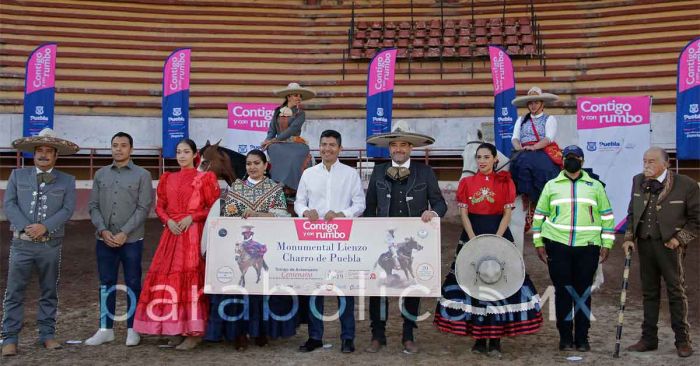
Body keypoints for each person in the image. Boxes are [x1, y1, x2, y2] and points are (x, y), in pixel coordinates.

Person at [433, 142, 542, 358]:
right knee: (473, 287)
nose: (482, 161)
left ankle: (496, 341)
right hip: (472, 236)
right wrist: (474, 240)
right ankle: (479, 340)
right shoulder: (466, 183)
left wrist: (495, 239)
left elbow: (507, 215)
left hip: (499, 236)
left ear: (495, 160)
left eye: (486, 157)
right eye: (479, 157)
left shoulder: (506, 182)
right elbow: (464, 214)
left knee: (500, 286)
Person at [364, 121, 447, 354]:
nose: (398, 149)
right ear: (389, 148)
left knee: (411, 287)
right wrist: (369, 234)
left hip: (412, 239)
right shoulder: (379, 171)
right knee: (379, 287)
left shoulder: (425, 171)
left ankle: (408, 334)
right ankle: (377, 334)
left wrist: (434, 213)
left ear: (410, 148)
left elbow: (439, 202)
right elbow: (370, 205)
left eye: (403, 145)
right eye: (394, 145)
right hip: (384, 239)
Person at [204, 150, 297, 350]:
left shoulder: (274, 189)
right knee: (240, 289)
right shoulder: (236, 188)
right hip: (241, 248)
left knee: (261, 288)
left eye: (256, 163)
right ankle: (239, 332)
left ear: (265, 166)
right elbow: (227, 217)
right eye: (248, 164)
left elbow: (284, 216)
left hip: (267, 248)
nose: (252, 167)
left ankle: (262, 330)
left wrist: (259, 214)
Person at [132, 138, 220, 350]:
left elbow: (214, 207)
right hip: (172, 234)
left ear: (194, 154)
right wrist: (167, 220)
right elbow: (160, 206)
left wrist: (194, 217)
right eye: (178, 152)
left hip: (193, 234)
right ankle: (175, 328)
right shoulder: (167, 178)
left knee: (190, 280)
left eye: (186, 152)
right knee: (168, 278)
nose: (181, 156)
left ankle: (194, 332)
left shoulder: (205, 178)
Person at [2, 128, 78, 357]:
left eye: (48, 151)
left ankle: (47, 335)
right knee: (14, 291)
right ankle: (9, 337)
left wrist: (45, 227)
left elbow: (68, 208)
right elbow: (10, 205)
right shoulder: (17, 175)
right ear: (33, 154)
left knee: (49, 290)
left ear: (56, 155)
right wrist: (27, 227)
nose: (44, 155)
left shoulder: (67, 180)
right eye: (39, 151)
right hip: (21, 243)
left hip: (50, 244)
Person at [532, 145, 615, 352]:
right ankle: (565, 337)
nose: (571, 160)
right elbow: (539, 217)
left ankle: (582, 338)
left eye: (575, 157)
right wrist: (539, 243)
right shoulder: (551, 186)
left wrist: (607, 244)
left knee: (583, 293)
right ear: (562, 160)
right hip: (557, 246)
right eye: (567, 157)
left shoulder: (595, 186)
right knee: (562, 293)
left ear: (582, 161)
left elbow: (607, 217)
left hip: (588, 248)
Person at [622, 147, 698, 358]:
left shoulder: (686, 184)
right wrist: (629, 238)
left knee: (675, 291)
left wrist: (678, 240)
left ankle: (682, 340)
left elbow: (696, 220)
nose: (646, 165)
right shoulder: (638, 180)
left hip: (670, 247)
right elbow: (632, 212)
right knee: (649, 292)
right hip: (645, 245)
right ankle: (648, 338)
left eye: (652, 161)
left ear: (666, 164)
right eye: (645, 160)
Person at [294, 130, 365, 353]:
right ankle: (315, 336)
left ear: (340, 149)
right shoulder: (308, 174)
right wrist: (306, 212)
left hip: (342, 239)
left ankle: (347, 337)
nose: (327, 148)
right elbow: (298, 202)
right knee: (316, 288)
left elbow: (359, 204)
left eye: (332, 145)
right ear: (319, 147)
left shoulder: (350, 174)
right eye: (323, 144)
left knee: (344, 288)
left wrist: (343, 213)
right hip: (314, 240)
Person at [84, 132, 153, 347]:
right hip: (104, 240)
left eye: (123, 145)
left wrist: (124, 232)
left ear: (131, 149)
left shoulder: (143, 175)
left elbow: (143, 208)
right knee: (106, 283)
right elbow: (93, 206)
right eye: (115, 145)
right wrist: (103, 231)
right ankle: (106, 329)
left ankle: (133, 328)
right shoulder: (100, 174)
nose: (118, 149)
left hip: (131, 240)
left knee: (133, 283)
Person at [509, 86, 561, 211]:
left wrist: (534, 147)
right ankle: (520, 195)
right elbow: (515, 138)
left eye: (536, 102)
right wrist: (518, 148)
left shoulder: (549, 119)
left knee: (534, 166)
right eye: (530, 103)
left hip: (541, 150)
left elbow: (549, 138)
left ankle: (534, 196)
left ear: (542, 104)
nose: (533, 105)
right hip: (522, 151)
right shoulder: (521, 119)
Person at [262, 82, 316, 191]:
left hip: (295, 144)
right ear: (288, 96)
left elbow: (292, 130)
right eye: (296, 95)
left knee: (296, 154)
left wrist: (273, 140)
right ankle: (277, 183)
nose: (299, 98)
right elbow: (272, 129)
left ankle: (293, 187)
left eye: (300, 96)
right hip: (277, 145)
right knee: (272, 148)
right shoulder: (277, 111)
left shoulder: (300, 114)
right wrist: (267, 140)